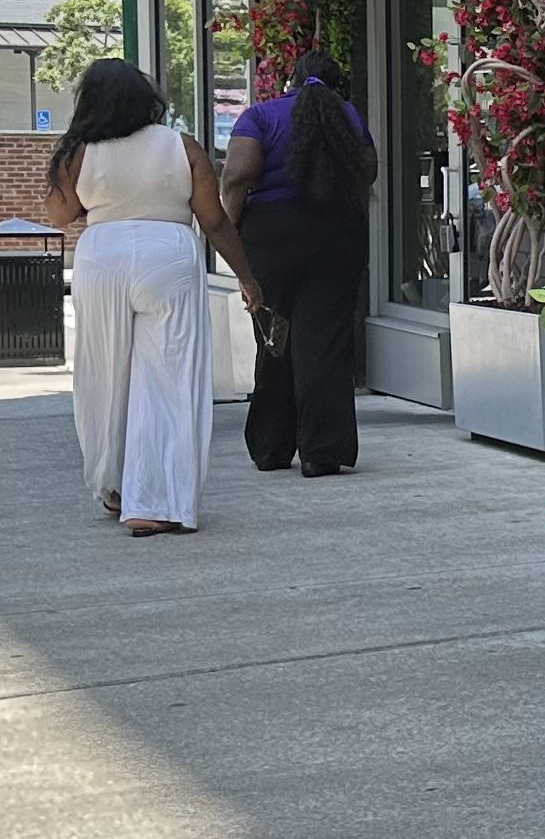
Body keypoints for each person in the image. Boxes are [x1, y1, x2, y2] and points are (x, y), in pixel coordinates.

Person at [39, 59, 258, 537]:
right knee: (170, 380)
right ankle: (156, 501)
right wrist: (246, 277)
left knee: (104, 375)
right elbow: (214, 221)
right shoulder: (183, 147)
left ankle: (114, 484)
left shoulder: (81, 150)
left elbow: (58, 215)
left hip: (103, 257)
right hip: (168, 254)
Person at [223, 47, 376, 478]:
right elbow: (368, 171)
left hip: (272, 235)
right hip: (337, 232)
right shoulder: (348, 115)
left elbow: (237, 175)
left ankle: (271, 447)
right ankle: (321, 452)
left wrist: (229, 232)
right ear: (337, 85)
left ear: (289, 80)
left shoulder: (260, 116)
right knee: (326, 340)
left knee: (275, 336)